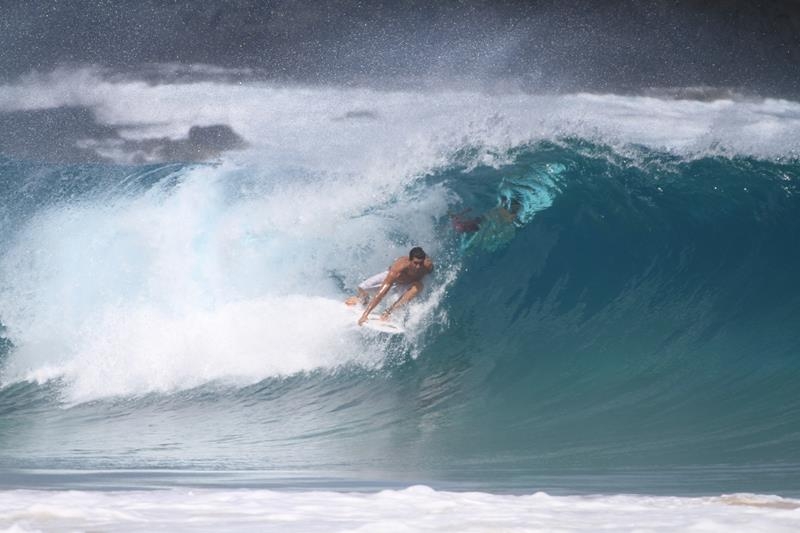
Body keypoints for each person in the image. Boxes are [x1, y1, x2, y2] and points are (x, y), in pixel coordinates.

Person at [345, 247, 434, 326]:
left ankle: (389, 312)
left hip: (408, 284)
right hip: (395, 279)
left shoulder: (427, 266)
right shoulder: (398, 269)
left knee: (418, 286)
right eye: (415, 263)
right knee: (362, 288)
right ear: (409, 260)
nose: (418, 266)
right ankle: (363, 300)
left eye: (420, 263)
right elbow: (381, 294)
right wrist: (365, 315)